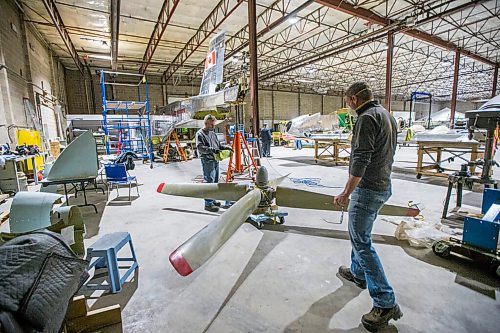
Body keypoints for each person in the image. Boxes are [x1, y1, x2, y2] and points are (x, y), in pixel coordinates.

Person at [333, 82, 401, 331]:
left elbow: (361, 159)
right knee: (359, 235)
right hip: (383, 185)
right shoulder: (386, 115)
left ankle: (385, 302)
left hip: (368, 189)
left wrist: (346, 192)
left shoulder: (365, 118)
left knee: (362, 243)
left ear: (353, 99)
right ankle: (358, 273)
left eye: (347, 102)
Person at [195, 114, 233, 212]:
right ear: (206, 123)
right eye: (211, 125)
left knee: (215, 181)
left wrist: (225, 147)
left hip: (215, 160)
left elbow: (218, 145)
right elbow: (200, 148)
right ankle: (208, 204)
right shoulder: (200, 134)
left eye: (214, 124)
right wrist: (212, 150)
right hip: (207, 160)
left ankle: (212, 199)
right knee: (209, 182)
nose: (213, 126)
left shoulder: (212, 133)